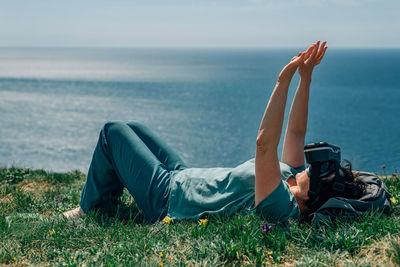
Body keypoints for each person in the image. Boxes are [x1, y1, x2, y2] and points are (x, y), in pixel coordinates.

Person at [63, 41, 329, 223]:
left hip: (168, 200)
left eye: (313, 173)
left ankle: (92, 209)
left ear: (311, 196)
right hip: (183, 176)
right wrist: (305, 78)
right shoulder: (291, 177)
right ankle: (106, 193)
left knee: (113, 132)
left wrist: (282, 81)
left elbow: (265, 145)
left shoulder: (280, 207)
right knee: (134, 128)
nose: (307, 168)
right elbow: (295, 133)